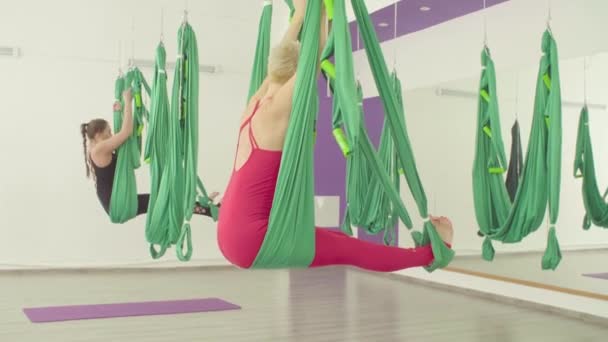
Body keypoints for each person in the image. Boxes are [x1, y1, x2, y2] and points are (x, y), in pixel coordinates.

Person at [217, 0, 454, 271]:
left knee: (339, 239)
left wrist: (301, 16)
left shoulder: (256, 106)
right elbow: (311, 59)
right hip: (252, 241)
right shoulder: (276, 112)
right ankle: (431, 255)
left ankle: (424, 253)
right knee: (349, 249)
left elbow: (283, 60)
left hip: (229, 233)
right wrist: (316, 12)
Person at [80, 89, 219, 219]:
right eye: (108, 132)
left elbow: (122, 137)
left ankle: (208, 207)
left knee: (164, 201)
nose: (111, 135)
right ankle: (209, 209)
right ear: (97, 135)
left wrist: (120, 112)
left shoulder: (95, 150)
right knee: (164, 201)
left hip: (116, 204)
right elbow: (125, 132)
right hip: (117, 204)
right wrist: (128, 101)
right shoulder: (98, 150)